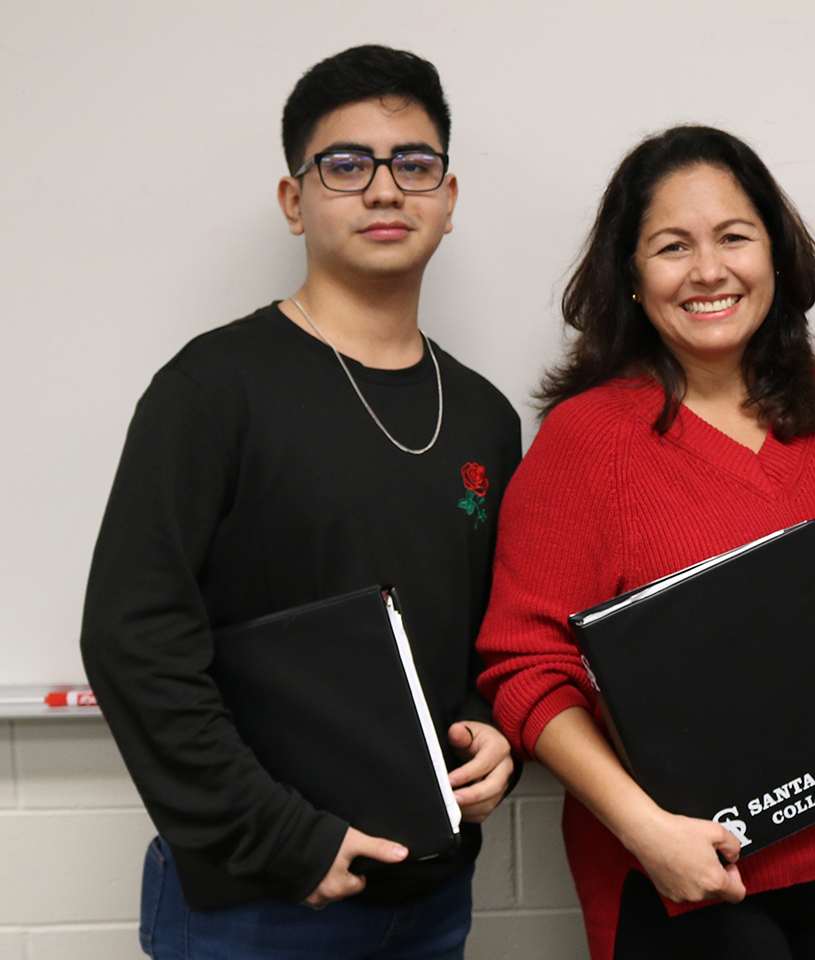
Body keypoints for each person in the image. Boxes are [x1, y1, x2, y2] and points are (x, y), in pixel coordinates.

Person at [79, 45, 521, 959]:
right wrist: (285, 838)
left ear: (448, 196)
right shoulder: (211, 388)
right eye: (347, 165)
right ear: (295, 202)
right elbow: (133, 637)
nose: (386, 189)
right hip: (260, 904)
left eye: (415, 164)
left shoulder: (482, 414)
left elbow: (484, 631)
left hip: (433, 898)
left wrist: (492, 727)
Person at [477, 126, 815, 960]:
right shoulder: (585, 444)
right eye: (672, 247)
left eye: (734, 238)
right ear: (632, 278)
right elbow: (524, 668)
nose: (709, 271)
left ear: (776, 257)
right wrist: (645, 830)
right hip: (674, 873)